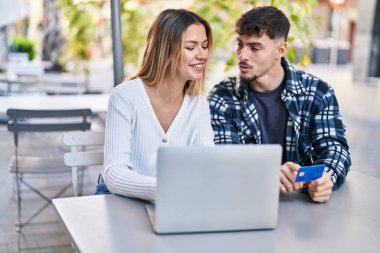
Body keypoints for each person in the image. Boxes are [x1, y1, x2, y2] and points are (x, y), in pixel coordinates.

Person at [208, 6, 351, 203]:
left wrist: (325, 177)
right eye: (240, 45)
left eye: (254, 48)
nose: (242, 56)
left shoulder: (318, 92)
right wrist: (266, 174)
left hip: (303, 213)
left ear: (280, 50)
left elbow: (335, 149)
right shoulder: (223, 96)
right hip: (245, 204)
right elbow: (223, 159)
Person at [95, 9, 214, 201]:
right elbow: (114, 174)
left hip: (175, 203)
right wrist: (167, 189)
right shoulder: (125, 96)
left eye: (205, 46)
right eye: (191, 47)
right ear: (165, 50)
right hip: (120, 201)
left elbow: (205, 165)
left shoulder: (198, 105)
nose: (202, 55)